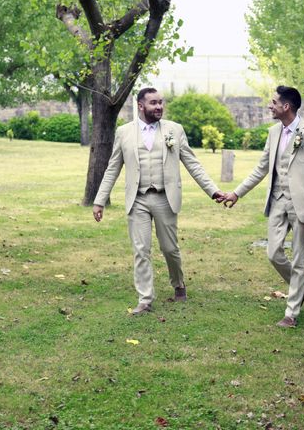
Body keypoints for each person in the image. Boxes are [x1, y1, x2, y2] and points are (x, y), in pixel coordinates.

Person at [93, 87, 223, 315]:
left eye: (161, 102)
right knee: (141, 250)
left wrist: (212, 191)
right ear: (141, 106)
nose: (159, 107)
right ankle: (145, 299)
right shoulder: (124, 132)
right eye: (153, 103)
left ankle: (179, 284)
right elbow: (113, 168)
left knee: (169, 248)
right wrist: (99, 200)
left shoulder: (174, 130)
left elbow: (192, 163)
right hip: (138, 199)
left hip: (165, 197)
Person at [220, 86, 304, 328]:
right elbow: (261, 168)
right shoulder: (273, 133)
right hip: (277, 201)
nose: (270, 106)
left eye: (274, 102)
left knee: (299, 259)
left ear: (286, 106)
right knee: (273, 253)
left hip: (302, 205)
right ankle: (302, 286)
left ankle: (291, 314)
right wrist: (237, 193)